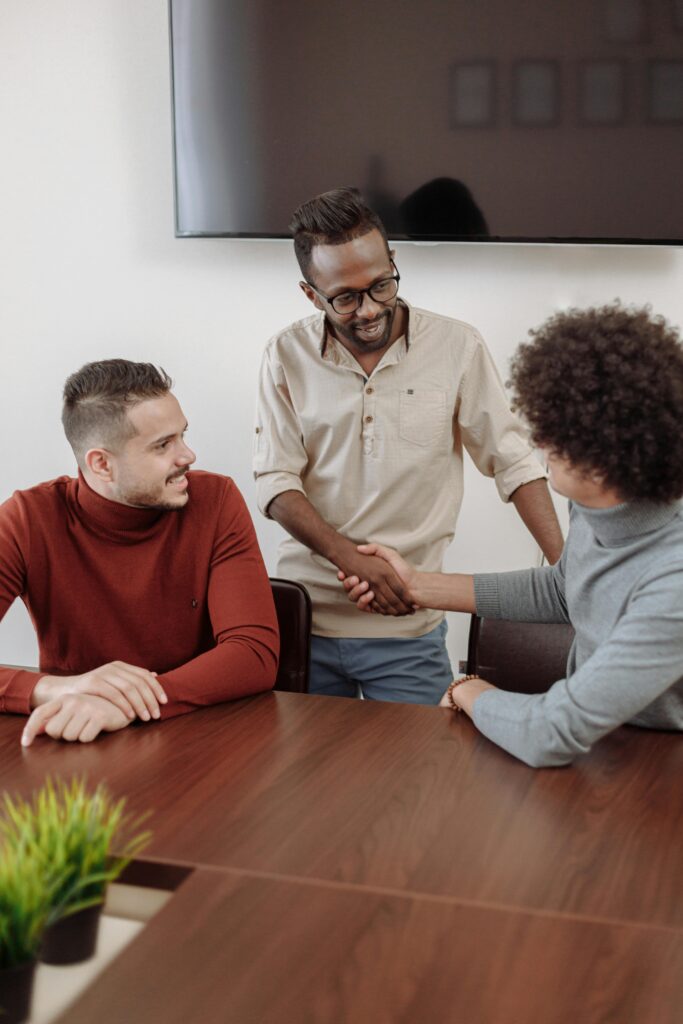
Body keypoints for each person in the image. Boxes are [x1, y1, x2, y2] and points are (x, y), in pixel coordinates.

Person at [254, 187, 563, 704]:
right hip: (304, 621)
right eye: (346, 298)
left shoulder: (458, 347)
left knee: (418, 780)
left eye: (381, 285)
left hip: (408, 626)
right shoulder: (283, 356)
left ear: (393, 262)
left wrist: (570, 572)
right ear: (311, 294)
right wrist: (350, 558)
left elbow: (514, 463)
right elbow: (275, 482)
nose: (370, 309)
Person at [342, 302, 683, 765]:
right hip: (609, 745)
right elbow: (566, 589)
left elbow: (551, 731)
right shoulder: (597, 504)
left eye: (554, 436)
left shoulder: (674, 579)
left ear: (605, 459)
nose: (538, 444)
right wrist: (417, 584)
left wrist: (467, 687)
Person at [0, 360, 279, 746]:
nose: (188, 456)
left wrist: (129, 705)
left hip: (201, 737)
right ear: (102, 464)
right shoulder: (27, 519)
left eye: (182, 435)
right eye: (163, 445)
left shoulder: (216, 500)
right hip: (74, 739)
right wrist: (57, 690)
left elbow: (253, 653)